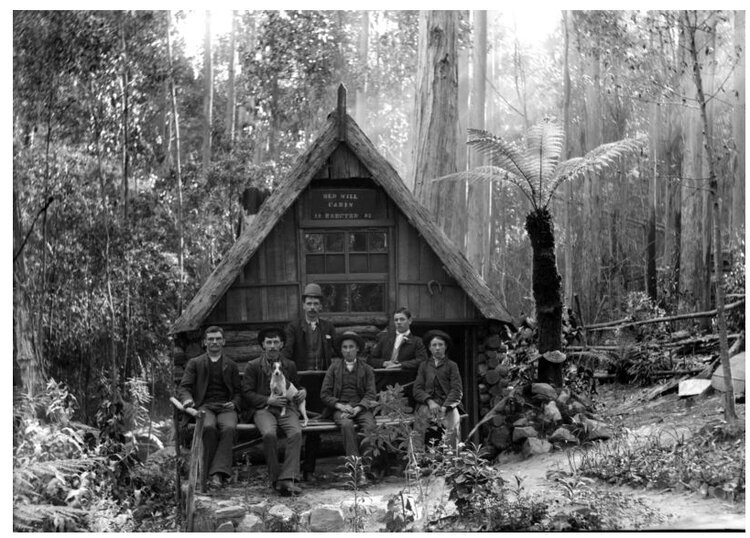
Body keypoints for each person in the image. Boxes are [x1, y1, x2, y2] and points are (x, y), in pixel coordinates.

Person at [282, 282, 339, 482]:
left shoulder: (328, 327)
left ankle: (309, 469)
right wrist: (291, 382)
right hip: (299, 383)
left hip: (321, 383)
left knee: (315, 428)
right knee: (296, 425)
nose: (313, 307)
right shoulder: (294, 328)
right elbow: (287, 355)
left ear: (320, 306)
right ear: (303, 306)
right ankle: (291, 472)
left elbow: (340, 351)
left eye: (316, 303)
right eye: (309, 303)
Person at [241, 327, 305, 496]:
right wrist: (268, 400)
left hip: (286, 408)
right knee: (269, 434)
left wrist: (302, 391)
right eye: (268, 342)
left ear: (282, 344)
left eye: (276, 342)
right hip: (263, 409)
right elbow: (246, 393)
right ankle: (275, 478)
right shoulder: (253, 366)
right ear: (262, 345)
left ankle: (288, 479)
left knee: (296, 433)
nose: (272, 346)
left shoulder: (289, 365)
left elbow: (296, 386)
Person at [177, 326, 241, 489]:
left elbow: (239, 391)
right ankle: (205, 474)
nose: (214, 342)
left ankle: (217, 474)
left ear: (224, 342)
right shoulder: (195, 363)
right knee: (208, 427)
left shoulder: (231, 365)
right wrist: (188, 400)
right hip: (205, 407)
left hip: (226, 407)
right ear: (204, 342)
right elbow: (184, 387)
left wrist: (234, 402)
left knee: (228, 428)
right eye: (211, 339)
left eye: (218, 339)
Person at [320, 331, 377, 485]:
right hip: (340, 408)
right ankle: (355, 470)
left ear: (357, 349)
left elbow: (371, 393)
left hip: (360, 408)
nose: (348, 350)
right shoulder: (334, 368)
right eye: (344, 347)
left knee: (370, 426)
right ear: (341, 350)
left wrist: (358, 408)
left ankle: (366, 466)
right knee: (346, 425)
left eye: (351, 347)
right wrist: (340, 405)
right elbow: (324, 393)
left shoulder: (366, 369)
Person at [413, 330, 463, 450]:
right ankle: (417, 463)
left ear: (445, 347)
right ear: (429, 348)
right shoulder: (424, 366)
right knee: (418, 432)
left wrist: (446, 407)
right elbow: (417, 389)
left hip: (448, 405)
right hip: (428, 405)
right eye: (434, 345)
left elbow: (457, 390)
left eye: (440, 345)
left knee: (452, 429)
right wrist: (430, 401)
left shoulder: (452, 365)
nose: (437, 348)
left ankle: (451, 464)